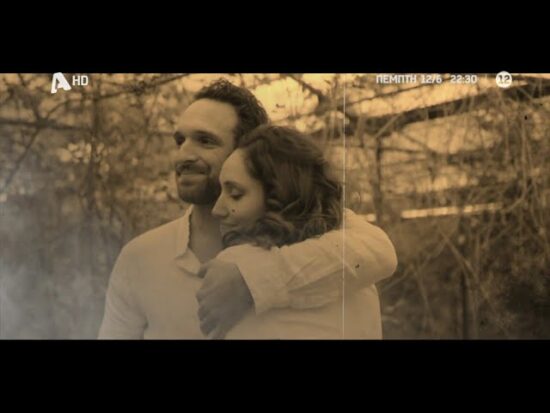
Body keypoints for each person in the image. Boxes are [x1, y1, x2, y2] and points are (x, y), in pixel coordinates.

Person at [98, 79, 397, 339]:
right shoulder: (139, 258)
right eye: (180, 140)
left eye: (205, 141)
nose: (183, 155)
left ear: (251, 149)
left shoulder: (328, 243)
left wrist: (252, 279)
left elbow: (379, 250)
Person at [207, 124, 384, 338]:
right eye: (220, 192)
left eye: (235, 194)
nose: (216, 210)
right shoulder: (358, 278)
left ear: (280, 197)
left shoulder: (237, 265)